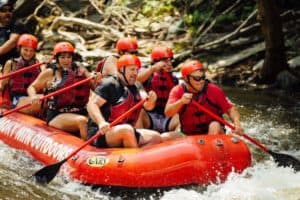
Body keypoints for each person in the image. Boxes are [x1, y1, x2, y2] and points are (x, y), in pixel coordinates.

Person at [87, 54, 161, 148]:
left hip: (123, 130)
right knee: (127, 130)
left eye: (137, 70)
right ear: (121, 70)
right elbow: (91, 104)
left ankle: (135, 157)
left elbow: (148, 106)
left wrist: (152, 100)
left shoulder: (136, 86)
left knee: (156, 137)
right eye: (132, 69)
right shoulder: (109, 84)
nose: (135, 73)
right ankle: (134, 159)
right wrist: (101, 122)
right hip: (101, 133)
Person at [26, 42, 92, 140]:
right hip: (57, 114)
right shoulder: (50, 72)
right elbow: (32, 87)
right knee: (82, 121)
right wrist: (33, 96)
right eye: (62, 57)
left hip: (80, 110)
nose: (66, 60)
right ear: (57, 58)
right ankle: (90, 151)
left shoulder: (79, 68)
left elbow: (91, 81)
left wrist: (96, 77)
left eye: (69, 57)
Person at [165, 60, 243, 135]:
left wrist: (237, 123)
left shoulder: (214, 90)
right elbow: (168, 113)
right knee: (164, 137)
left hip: (215, 132)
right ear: (186, 79)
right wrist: (181, 102)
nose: (201, 81)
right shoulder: (177, 91)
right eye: (197, 78)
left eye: (203, 77)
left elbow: (230, 109)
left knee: (214, 125)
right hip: (189, 135)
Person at [136, 46, 180, 140]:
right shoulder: (147, 73)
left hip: (167, 117)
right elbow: (137, 80)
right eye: (165, 61)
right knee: (139, 112)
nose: (169, 63)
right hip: (149, 116)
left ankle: (176, 141)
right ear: (156, 61)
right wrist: (153, 69)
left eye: (170, 60)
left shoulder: (174, 78)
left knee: (181, 116)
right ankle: (139, 141)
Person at [0, 33, 39, 108]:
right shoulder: (11, 64)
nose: (28, 53)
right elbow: (2, 85)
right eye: (26, 50)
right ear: (20, 49)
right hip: (16, 99)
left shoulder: (38, 64)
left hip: (33, 96)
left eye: (31, 51)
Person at [0, 0, 26, 69]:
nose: (7, 13)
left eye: (10, 10)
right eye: (3, 10)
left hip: (15, 63)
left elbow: (12, 42)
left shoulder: (17, 24)